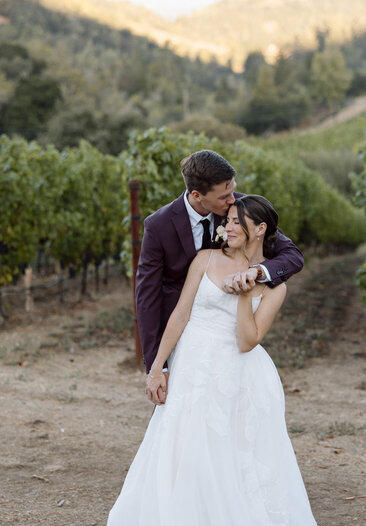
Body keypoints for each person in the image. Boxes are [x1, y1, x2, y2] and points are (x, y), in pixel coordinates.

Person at [108, 195, 318, 525]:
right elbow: (180, 315)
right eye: (228, 221)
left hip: (239, 375)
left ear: (260, 229)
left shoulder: (274, 285)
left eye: (237, 222)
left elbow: (248, 341)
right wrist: (157, 367)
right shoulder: (205, 259)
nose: (228, 227)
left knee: (234, 454)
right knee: (181, 446)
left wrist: (247, 292)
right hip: (191, 369)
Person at [135, 149, 304, 402]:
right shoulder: (158, 225)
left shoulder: (239, 211)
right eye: (224, 196)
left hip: (231, 334)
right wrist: (157, 366)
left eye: (232, 190)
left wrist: (256, 273)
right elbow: (147, 298)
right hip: (181, 335)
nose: (232, 200)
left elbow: (293, 257)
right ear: (197, 196)